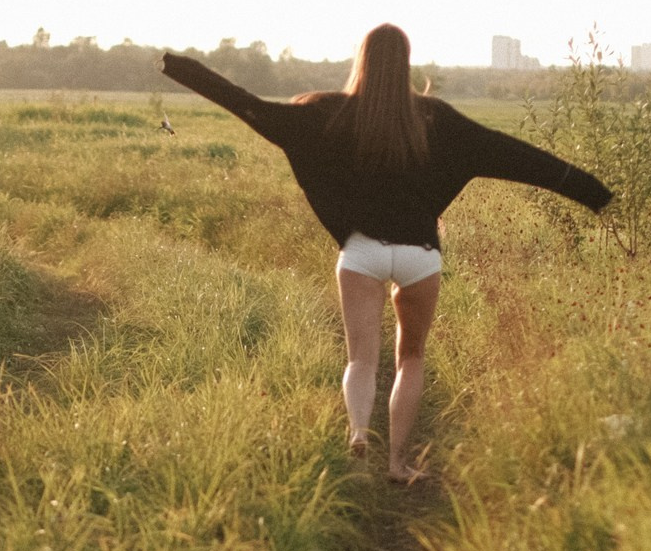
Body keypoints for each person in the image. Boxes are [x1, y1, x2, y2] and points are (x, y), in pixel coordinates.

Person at [160, 25, 612, 480]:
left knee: (361, 359)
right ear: (407, 65)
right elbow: (515, 154)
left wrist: (183, 69)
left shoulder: (327, 114)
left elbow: (252, 108)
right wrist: (592, 192)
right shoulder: (438, 119)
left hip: (362, 254)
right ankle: (397, 462)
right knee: (410, 359)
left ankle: (358, 431)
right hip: (419, 256)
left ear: (362, 61)